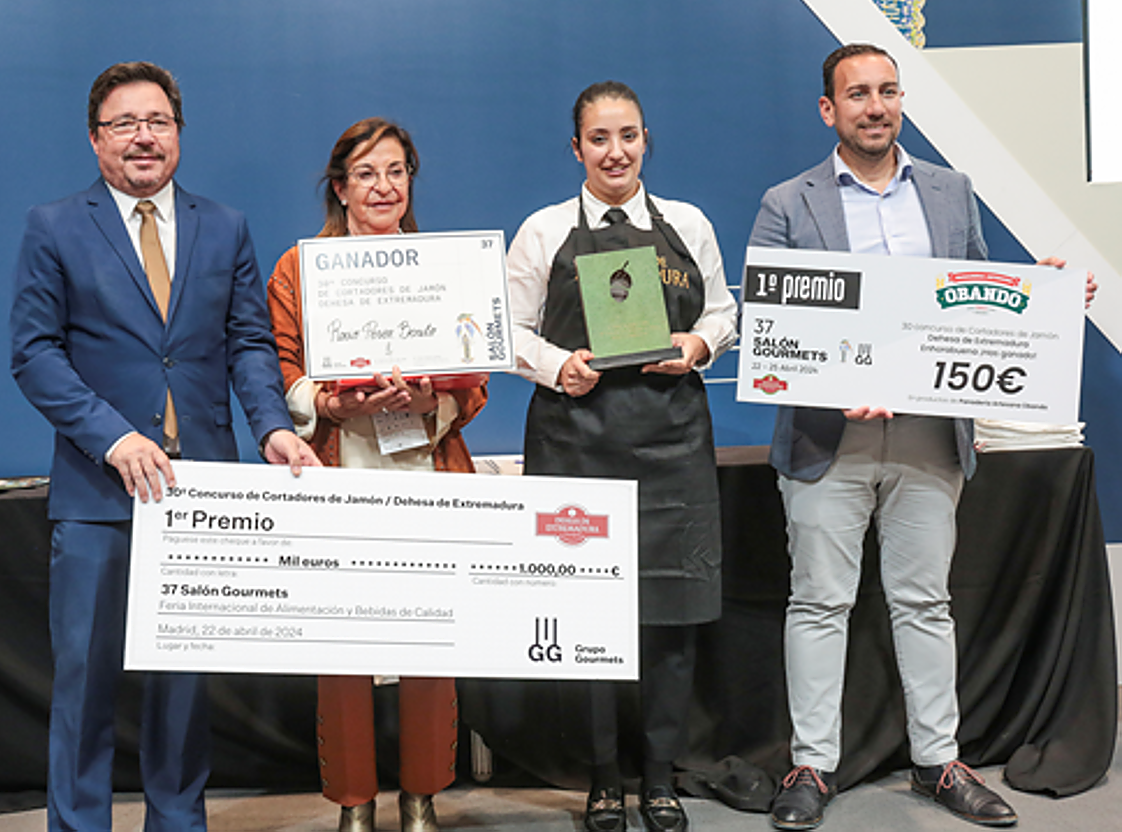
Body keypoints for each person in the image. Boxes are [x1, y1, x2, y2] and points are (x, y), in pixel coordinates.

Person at [750, 43, 1094, 830]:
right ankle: (811, 767)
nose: (876, 106)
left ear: (901, 101)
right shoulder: (788, 201)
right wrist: (839, 385)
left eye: (888, 91)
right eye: (858, 94)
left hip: (931, 438)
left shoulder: (949, 191)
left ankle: (940, 762)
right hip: (825, 439)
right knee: (818, 604)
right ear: (827, 110)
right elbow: (774, 326)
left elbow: (972, 305)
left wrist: (1037, 297)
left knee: (926, 603)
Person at [10, 61, 319, 831]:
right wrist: (112, 437)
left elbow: (249, 343)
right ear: (95, 139)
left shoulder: (226, 225)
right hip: (98, 491)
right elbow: (35, 354)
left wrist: (274, 427)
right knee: (84, 683)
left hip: (202, 497)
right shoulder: (53, 227)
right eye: (124, 123)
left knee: (183, 685)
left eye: (158, 121)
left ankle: (177, 822)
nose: (143, 136)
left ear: (179, 134)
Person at [507, 82, 738, 832]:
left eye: (629, 136)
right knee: (588, 619)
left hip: (672, 442)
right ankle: (604, 779)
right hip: (576, 444)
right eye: (600, 139)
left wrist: (698, 344)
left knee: (672, 617)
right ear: (577, 149)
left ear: (646, 140)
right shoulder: (543, 231)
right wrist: (556, 367)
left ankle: (660, 777)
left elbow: (722, 311)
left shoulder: (688, 224)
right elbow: (505, 331)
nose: (616, 152)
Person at [267, 117, 487, 832]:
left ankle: (421, 794)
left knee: (430, 639)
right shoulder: (300, 268)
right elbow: (282, 367)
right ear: (340, 188)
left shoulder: (442, 265)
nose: (383, 187)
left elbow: (475, 374)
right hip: (338, 468)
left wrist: (436, 401)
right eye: (366, 173)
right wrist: (326, 401)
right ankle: (354, 802)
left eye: (396, 172)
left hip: (423, 466)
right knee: (344, 647)